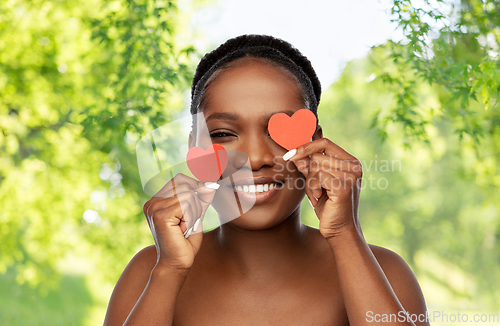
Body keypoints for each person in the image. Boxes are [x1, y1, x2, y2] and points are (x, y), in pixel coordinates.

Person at [104, 34, 430, 326]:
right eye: (223, 134)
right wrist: (169, 272)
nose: (257, 158)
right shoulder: (150, 272)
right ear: (195, 148)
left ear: (316, 145)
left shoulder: (384, 271)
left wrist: (346, 234)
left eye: (278, 132)